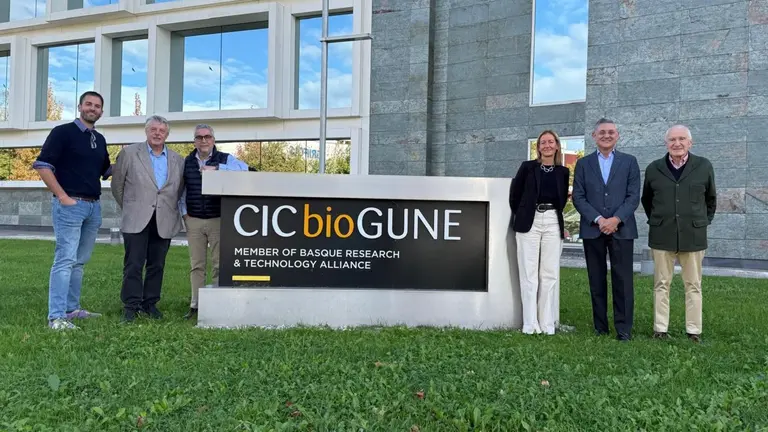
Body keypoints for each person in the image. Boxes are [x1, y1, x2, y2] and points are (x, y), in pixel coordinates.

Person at [33, 91, 111, 330]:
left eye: (97, 106)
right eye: (89, 104)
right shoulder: (62, 133)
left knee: (79, 261)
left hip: (93, 207)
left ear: (101, 111)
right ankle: (55, 317)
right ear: (80, 107)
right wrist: (62, 196)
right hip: (70, 205)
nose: (93, 108)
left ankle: (72, 309)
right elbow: (43, 165)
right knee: (65, 259)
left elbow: (107, 171)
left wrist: (136, 159)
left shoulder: (99, 139)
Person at [641, 125, 716, 343]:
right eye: (672, 139)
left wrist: (702, 222)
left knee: (693, 284)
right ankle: (660, 328)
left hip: (693, 235)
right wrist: (659, 219)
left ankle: (694, 330)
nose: (677, 143)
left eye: (682, 139)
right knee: (661, 283)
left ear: (690, 142)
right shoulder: (654, 168)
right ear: (666, 143)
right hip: (662, 234)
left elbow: (711, 200)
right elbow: (647, 200)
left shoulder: (703, 166)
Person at [111, 115, 185, 323]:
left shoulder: (177, 160)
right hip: (137, 217)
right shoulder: (129, 153)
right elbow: (118, 186)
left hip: (164, 218)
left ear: (167, 134)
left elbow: (178, 190)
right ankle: (131, 305)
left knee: (157, 264)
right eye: (153, 129)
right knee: (133, 263)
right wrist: (131, 207)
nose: (157, 133)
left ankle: (150, 303)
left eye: (162, 131)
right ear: (146, 131)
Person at [572, 118, 641, 342]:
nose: (606, 135)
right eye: (602, 132)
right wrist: (599, 219)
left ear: (617, 135)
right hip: (593, 229)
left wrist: (616, 219)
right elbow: (579, 197)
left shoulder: (630, 162)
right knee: (596, 279)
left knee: (623, 280)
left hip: (622, 229)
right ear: (594, 136)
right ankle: (600, 327)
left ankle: (623, 329)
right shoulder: (583, 164)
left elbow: (633, 197)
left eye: (611, 132)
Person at [179, 124, 249, 320]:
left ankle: (217, 304)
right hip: (194, 221)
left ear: (213, 140)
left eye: (207, 137)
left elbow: (245, 170)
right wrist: (184, 214)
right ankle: (196, 305)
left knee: (220, 264)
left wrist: (218, 169)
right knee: (197, 265)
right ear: (194, 141)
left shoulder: (225, 159)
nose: (203, 140)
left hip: (218, 219)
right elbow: (181, 192)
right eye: (199, 137)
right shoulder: (187, 162)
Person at [510, 130, 570, 335]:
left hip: (553, 220)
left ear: (556, 146)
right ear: (538, 148)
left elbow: (562, 200)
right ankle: (530, 323)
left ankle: (547, 323)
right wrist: (524, 214)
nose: (547, 145)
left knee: (549, 273)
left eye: (550, 142)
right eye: (543, 142)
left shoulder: (563, 172)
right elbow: (514, 195)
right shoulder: (527, 168)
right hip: (530, 221)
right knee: (529, 274)